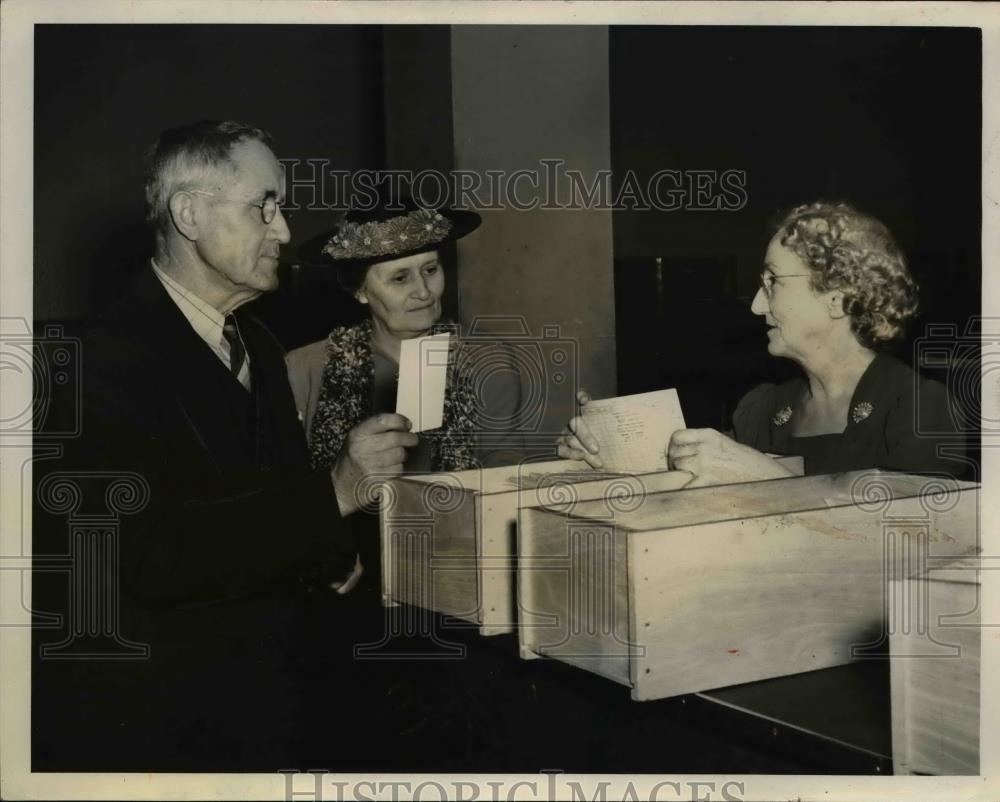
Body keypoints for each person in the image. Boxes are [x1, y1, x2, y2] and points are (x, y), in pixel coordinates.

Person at [33, 120, 417, 770]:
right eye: (263, 206)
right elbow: (152, 556)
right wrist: (335, 491)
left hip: (276, 699)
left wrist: (337, 553)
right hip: (175, 727)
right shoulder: (89, 365)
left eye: (283, 207)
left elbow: (276, 503)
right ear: (189, 212)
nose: (286, 231)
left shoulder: (259, 346)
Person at [559, 201, 966, 483]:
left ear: (838, 298)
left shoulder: (915, 407)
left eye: (773, 282)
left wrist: (767, 478)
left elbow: (916, 543)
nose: (756, 305)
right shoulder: (763, 409)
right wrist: (609, 457)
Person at [286, 199, 525, 599]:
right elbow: (289, 488)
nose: (424, 292)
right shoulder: (305, 367)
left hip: (457, 574)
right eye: (400, 279)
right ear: (361, 291)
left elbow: (505, 477)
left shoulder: (487, 363)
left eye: (430, 270)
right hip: (342, 581)